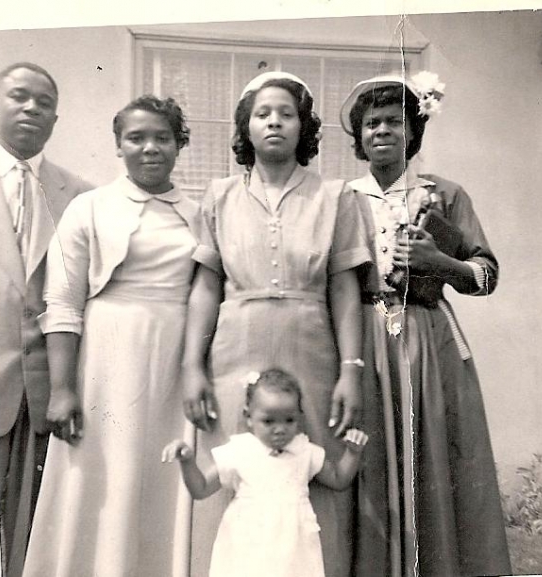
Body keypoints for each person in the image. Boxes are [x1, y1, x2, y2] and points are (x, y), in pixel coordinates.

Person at [182, 71, 372, 577]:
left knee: (314, 477)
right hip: (233, 350)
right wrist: (191, 367)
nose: (274, 122)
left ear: (303, 127)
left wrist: (351, 369)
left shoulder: (336, 197)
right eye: (263, 113)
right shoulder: (218, 196)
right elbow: (205, 288)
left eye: (287, 114)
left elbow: (344, 288)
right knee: (234, 474)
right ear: (245, 126)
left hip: (313, 351)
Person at [340, 73, 512, 577]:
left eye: (394, 121)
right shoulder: (341, 198)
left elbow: (485, 276)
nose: (382, 132)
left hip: (427, 338)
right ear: (359, 136)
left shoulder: (446, 194)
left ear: (413, 132)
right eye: (371, 123)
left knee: (432, 456)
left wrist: (440, 260)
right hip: (365, 336)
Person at [21, 95, 200, 577]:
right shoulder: (89, 208)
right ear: (118, 146)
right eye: (135, 138)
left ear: (179, 144)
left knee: (165, 479)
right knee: (106, 480)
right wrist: (62, 389)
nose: (149, 148)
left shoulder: (200, 213)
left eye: (162, 137)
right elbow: (61, 302)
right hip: (106, 362)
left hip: (175, 362)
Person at [0, 61, 92, 577]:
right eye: (18, 97)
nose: (31, 108)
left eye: (43, 103)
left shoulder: (81, 194)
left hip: (43, 387)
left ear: (55, 118)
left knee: (29, 530)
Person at [163, 368, 369, 577]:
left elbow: (339, 479)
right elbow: (201, 489)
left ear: (300, 417)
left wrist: (353, 453)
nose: (279, 429)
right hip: (247, 544)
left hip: (293, 547)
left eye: (289, 420)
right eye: (269, 421)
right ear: (249, 417)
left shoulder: (303, 450)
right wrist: (187, 461)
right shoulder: (240, 450)